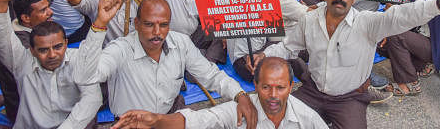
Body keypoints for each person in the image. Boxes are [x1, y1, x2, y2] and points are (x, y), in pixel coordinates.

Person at [251, 0, 440, 128]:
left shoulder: (367, 23)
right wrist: (264, 55)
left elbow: (402, 15)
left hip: (349, 98)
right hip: (312, 91)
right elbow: (288, 46)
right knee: (274, 120)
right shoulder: (309, 20)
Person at [75, 0, 258, 125]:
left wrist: (240, 95)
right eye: (149, 24)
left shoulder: (180, 42)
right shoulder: (120, 49)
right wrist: (99, 25)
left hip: (168, 120)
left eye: (163, 25)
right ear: (136, 24)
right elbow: (84, 77)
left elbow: (211, 75)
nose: (157, 32)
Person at [0, 0, 102, 128]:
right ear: (32, 50)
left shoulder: (78, 59)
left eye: (58, 47)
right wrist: (1, 4)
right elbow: (2, 37)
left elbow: (92, 99)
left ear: (66, 44)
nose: (52, 55)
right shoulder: (23, 63)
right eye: (43, 50)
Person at [111, 57, 328, 129]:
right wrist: (156, 119)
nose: (272, 95)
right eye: (265, 87)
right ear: (254, 85)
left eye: (280, 88)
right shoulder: (242, 109)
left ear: (291, 87)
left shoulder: (308, 120)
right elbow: (199, 119)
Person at [0, 0, 53, 123]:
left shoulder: (31, 30)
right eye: (43, 10)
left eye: (48, 7)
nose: (50, 12)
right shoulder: (22, 45)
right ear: (26, 18)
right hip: (27, 111)